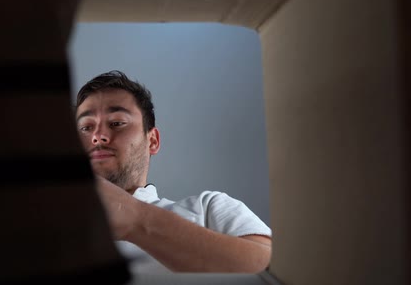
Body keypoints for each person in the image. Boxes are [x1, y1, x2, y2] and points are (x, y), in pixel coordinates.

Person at [75, 70, 272, 273]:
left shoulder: (209, 208)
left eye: (117, 123)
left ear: (152, 141)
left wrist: (134, 217)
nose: (98, 136)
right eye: (85, 127)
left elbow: (277, 272)